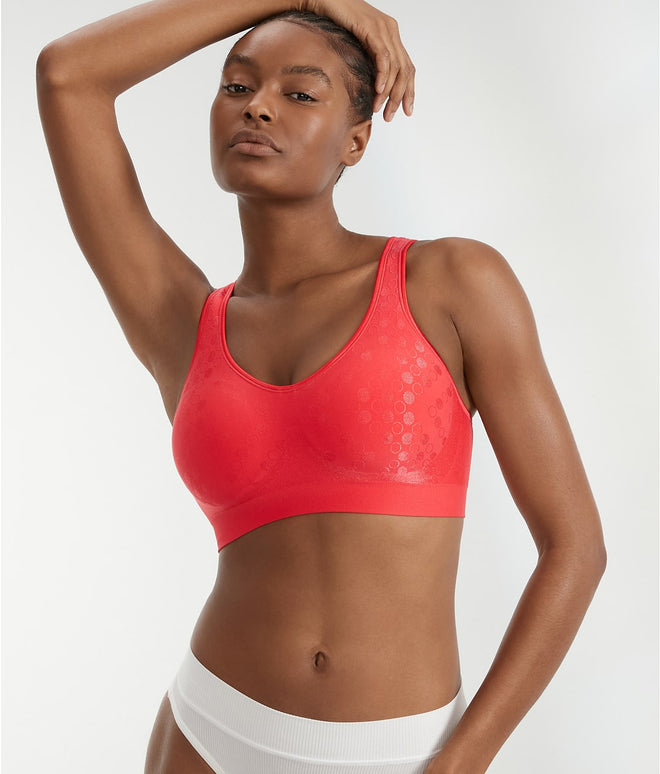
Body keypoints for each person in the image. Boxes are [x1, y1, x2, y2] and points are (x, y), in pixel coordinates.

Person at [36, 0, 607, 771]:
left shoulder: (449, 283)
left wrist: (466, 757)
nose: (258, 106)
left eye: (300, 93)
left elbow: (574, 549)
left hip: (406, 752)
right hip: (208, 731)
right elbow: (67, 75)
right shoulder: (183, 323)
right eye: (237, 86)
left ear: (357, 140)